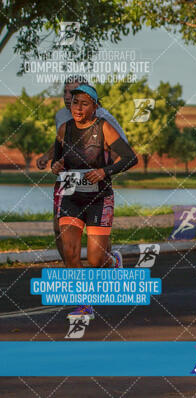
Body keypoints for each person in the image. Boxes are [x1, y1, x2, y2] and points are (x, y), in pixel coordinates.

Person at [51, 84, 138, 318]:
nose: (78, 107)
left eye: (84, 103)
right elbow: (57, 161)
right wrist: (55, 166)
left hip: (99, 197)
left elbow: (131, 158)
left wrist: (104, 171)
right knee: (70, 252)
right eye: (75, 102)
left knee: (95, 259)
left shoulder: (104, 128)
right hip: (71, 196)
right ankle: (84, 304)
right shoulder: (64, 129)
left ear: (95, 107)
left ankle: (113, 261)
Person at [36, 75, 128, 264]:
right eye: (66, 92)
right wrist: (51, 159)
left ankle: (105, 263)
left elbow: (123, 147)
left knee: (96, 251)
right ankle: (72, 269)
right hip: (69, 180)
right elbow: (63, 143)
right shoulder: (62, 116)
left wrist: (105, 169)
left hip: (96, 182)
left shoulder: (103, 117)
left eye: (73, 92)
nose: (68, 96)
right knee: (59, 227)